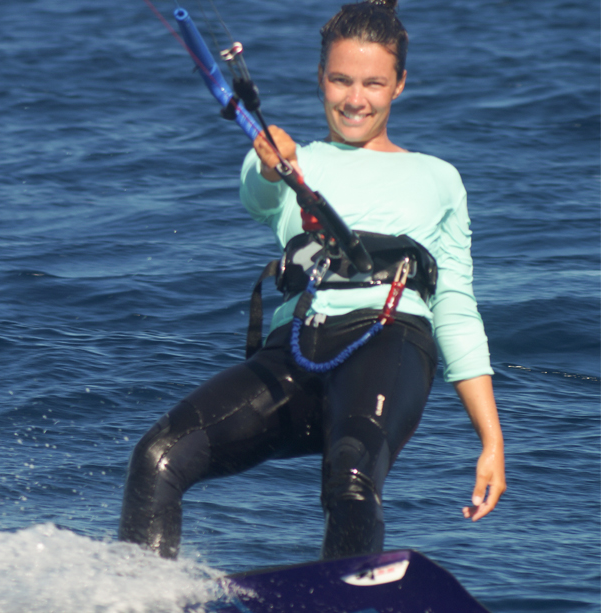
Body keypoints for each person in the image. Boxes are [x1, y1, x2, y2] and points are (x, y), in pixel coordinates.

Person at [118, 0, 505, 560]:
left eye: (373, 83)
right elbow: (258, 194)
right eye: (341, 80)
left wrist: (490, 440)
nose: (355, 99)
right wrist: (271, 162)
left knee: (351, 479)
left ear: (399, 85)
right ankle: (135, 596)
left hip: (389, 341)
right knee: (157, 456)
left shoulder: (438, 178)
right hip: (294, 351)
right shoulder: (293, 160)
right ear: (319, 79)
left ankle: (344, 597)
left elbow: (456, 305)